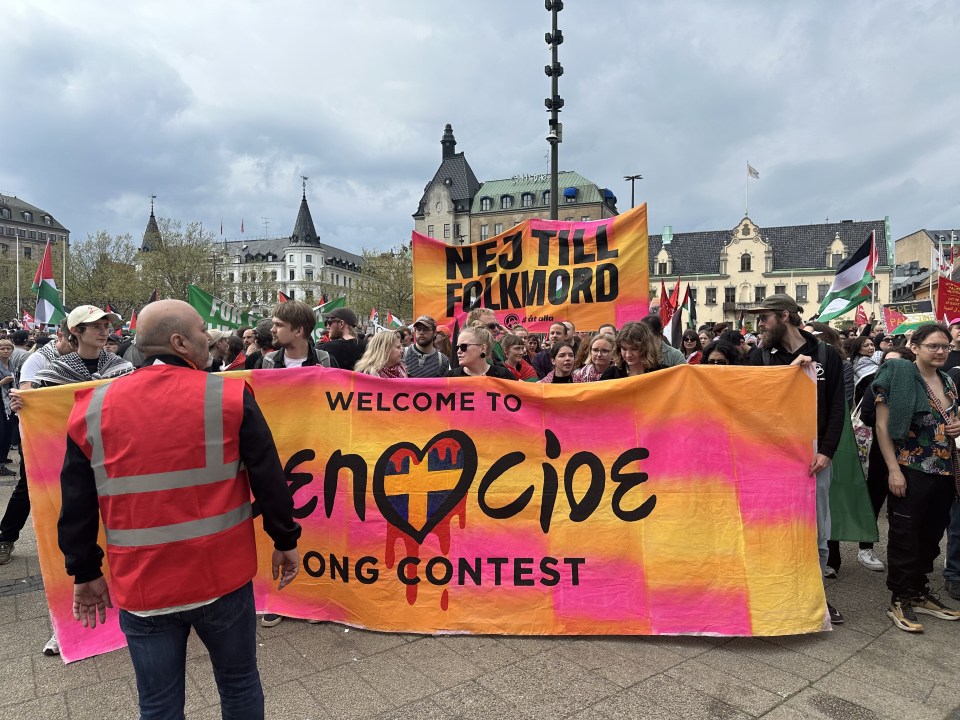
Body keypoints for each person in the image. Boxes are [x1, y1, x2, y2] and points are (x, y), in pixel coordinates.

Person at [57, 299, 301, 718]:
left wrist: (85, 571)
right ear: (180, 342)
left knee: (158, 703)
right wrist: (284, 539)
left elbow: (76, 502)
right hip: (221, 576)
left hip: (143, 585)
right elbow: (268, 477)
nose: (209, 337)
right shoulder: (228, 395)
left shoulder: (91, 409)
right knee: (239, 686)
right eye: (202, 329)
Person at [747, 294, 845, 626]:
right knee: (772, 530)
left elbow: (836, 409)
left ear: (785, 316)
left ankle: (816, 598)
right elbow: (746, 399)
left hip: (812, 458)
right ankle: (776, 593)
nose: (760, 324)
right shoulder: (759, 356)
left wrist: (827, 450)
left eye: (765, 318)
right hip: (770, 458)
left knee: (816, 531)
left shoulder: (826, 355)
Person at [873, 324, 960, 632]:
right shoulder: (897, 376)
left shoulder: (948, 380)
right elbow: (882, 427)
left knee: (932, 535)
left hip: (945, 470)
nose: (940, 352)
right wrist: (893, 470)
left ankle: (919, 590)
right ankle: (900, 597)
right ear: (916, 346)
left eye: (945, 347)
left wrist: (957, 425)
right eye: (933, 346)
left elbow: (951, 416)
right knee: (905, 533)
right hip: (910, 468)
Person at [855, 346, 915, 574]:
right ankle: (865, 547)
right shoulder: (876, 384)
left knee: (903, 504)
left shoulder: (918, 385)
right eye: (885, 362)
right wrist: (891, 421)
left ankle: (899, 550)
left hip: (912, 454)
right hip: (882, 451)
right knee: (875, 497)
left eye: (894, 362)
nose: (887, 367)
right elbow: (867, 415)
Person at [262, 301, 335, 369]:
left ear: (298, 331)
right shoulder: (269, 362)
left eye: (279, 325)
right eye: (274, 324)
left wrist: (325, 378)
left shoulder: (325, 361)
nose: (272, 329)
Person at [447, 326, 515, 379]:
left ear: (483, 348)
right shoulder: (450, 377)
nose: (458, 351)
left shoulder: (504, 375)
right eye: (457, 347)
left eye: (463, 346)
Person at [0, 340, 16, 477]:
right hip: (1, 402)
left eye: (8, 348)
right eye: (2, 348)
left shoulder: (11, 363)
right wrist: (2, 382)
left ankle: (3, 458)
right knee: (2, 433)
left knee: (8, 432)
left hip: (9, 402)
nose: (5, 351)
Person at [849, 335, 879, 404]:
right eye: (866, 346)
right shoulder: (862, 362)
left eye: (872, 345)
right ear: (858, 349)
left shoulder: (860, 360)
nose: (871, 348)